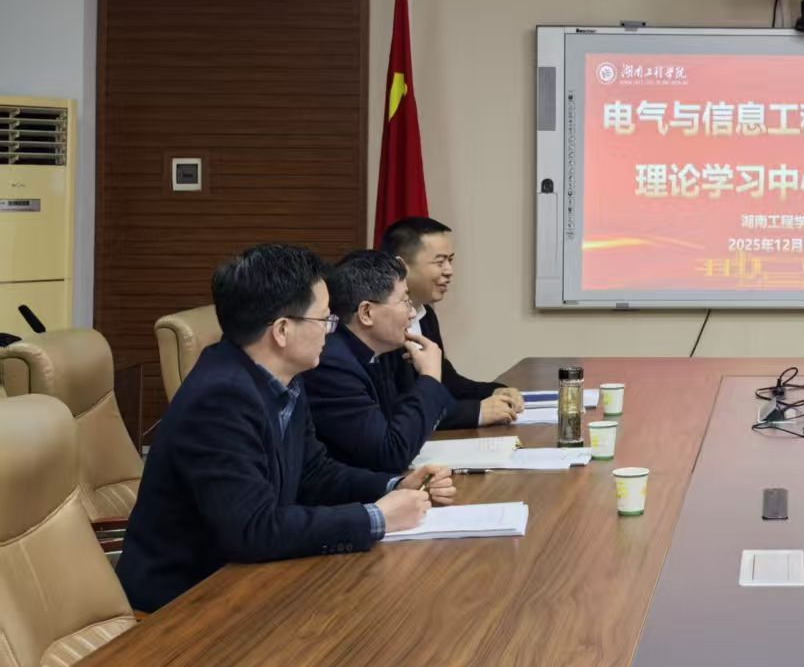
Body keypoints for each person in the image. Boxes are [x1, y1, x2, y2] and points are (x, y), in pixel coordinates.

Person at [117, 244, 455, 613]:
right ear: (282, 330)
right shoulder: (220, 398)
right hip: (185, 604)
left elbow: (314, 473)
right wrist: (376, 518)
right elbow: (253, 528)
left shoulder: (283, 376)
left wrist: (393, 486)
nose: (330, 332)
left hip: (248, 582)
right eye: (324, 320)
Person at [303, 249, 462, 472]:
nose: (412, 313)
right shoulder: (332, 366)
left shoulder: (378, 353)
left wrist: (429, 380)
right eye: (404, 301)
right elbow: (391, 453)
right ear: (367, 313)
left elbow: (424, 414)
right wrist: (429, 378)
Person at [381, 215, 523, 427]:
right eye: (440, 262)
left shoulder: (426, 315)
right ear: (401, 265)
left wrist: (494, 391)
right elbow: (395, 408)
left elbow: (446, 381)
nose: (449, 271)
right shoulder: (382, 323)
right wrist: (476, 412)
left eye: (451, 260)